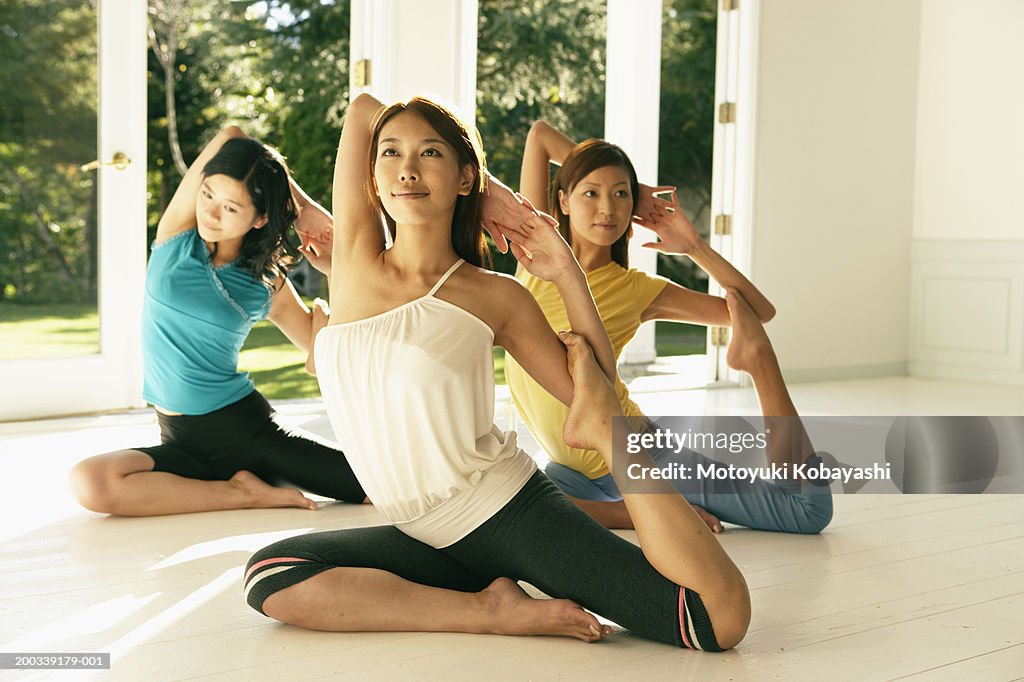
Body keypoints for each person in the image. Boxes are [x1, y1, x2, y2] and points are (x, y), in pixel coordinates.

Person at [244, 93, 751, 651]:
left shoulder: (493, 294)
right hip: (425, 532)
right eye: (391, 153)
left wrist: (564, 271)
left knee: (715, 619)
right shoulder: (355, 260)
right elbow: (364, 108)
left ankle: (624, 509)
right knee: (273, 574)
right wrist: (494, 197)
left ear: (464, 178)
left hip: (504, 512)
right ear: (373, 174)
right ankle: (491, 610)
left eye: (430, 153)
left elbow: (597, 394)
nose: (407, 169)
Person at [505, 120, 832, 534]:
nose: (608, 208)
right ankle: (638, 514)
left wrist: (694, 246)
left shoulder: (637, 289)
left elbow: (755, 311)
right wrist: (632, 186)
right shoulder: (536, 249)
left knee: (807, 511)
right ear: (563, 201)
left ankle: (758, 362)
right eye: (591, 193)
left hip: (638, 453)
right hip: (574, 469)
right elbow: (538, 135)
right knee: (517, 508)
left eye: (620, 195)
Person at [69, 127, 366, 516]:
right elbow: (231, 134)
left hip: (248, 436)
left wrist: (331, 283)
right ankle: (242, 493)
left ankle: (245, 487)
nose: (210, 212)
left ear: (260, 218)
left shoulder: (266, 283)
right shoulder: (176, 236)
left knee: (377, 489)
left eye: (230, 207)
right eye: (208, 194)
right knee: (90, 481)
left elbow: (319, 357)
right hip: (178, 438)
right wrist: (303, 203)